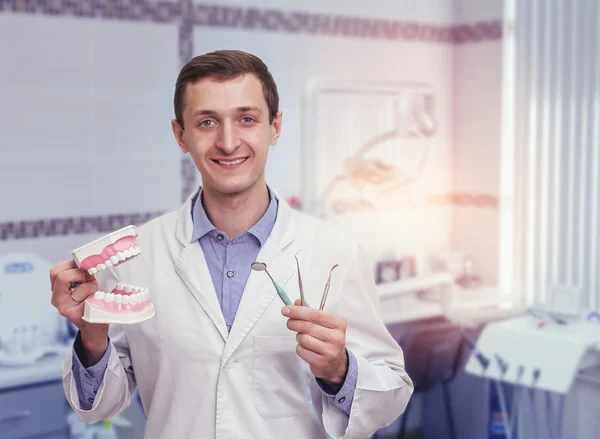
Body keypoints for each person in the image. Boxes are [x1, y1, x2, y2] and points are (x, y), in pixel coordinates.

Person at [49, 49, 413, 439]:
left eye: (247, 119)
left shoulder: (335, 253)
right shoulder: (139, 255)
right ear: (180, 135)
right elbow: (98, 407)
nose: (227, 141)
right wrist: (92, 334)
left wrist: (339, 370)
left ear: (274, 128)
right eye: (207, 122)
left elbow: (392, 394)